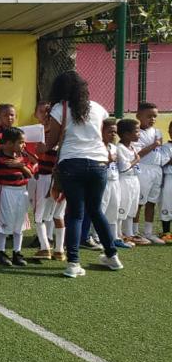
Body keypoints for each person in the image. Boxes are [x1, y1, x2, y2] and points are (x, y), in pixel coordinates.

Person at [45, 70, 123, 278]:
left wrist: (42, 146)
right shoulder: (98, 108)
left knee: (75, 214)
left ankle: (73, 262)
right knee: (96, 211)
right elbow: (104, 132)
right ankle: (112, 256)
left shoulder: (59, 108)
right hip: (99, 163)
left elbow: (52, 141)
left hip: (72, 163)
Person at [0, 128, 32, 267]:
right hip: (6, 190)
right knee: (4, 221)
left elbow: (30, 174)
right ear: (9, 143)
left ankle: (17, 252)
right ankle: (1, 252)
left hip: (22, 191)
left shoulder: (23, 156)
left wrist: (20, 166)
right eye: (20, 142)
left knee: (19, 223)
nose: (23, 145)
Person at [31, 106, 63, 261]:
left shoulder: (47, 136)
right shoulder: (65, 136)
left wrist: (41, 150)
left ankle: (45, 248)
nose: (44, 117)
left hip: (47, 177)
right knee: (58, 215)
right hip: (62, 178)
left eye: (47, 114)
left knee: (39, 215)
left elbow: (42, 153)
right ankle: (59, 250)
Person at [131, 102, 164, 244]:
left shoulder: (157, 132)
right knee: (139, 202)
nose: (152, 119)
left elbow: (160, 151)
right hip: (143, 169)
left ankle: (148, 232)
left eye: (155, 116)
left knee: (152, 202)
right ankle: (134, 232)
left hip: (157, 169)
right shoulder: (137, 133)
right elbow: (138, 153)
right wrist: (154, 145)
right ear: (138, 116)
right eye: (149, 116)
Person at [101, 118, 130, 249]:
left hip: (115, 181)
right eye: (110, 132)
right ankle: (96, 237)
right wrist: (107, 160)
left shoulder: (114, 147)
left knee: (114, 210)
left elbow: (121, 165)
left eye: (115, 132)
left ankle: (113, 237)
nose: (113, 134)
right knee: (101, 210)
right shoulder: (97, 147)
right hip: (103, 182)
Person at [116, 118, 143, 246]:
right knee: (123, 206)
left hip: (134, 179)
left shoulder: (132, 147)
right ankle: (118, 234)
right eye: (136, 131)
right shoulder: (120, 148)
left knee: (132, 206)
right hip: (124, 180)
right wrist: (136, 160)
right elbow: (124, 167)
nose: (139, 134)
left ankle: (129, 233)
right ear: (126, 134)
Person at [159, 121, 172, 242]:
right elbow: (163, 162)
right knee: (167, 204)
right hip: (169, 177)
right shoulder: (166, 147)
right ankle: (166, 232)